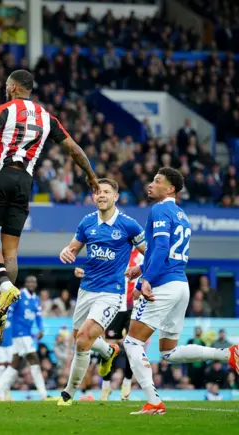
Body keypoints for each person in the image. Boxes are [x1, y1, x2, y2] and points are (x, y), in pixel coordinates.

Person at [0, 69, 98, 335]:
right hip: (25, 183)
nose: (5, 88)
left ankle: (5, 288)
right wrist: (91, 176)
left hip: (1, 175)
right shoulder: (47, 118)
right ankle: (2, 313)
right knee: (11, 252)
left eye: (8, 85)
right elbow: (74, 149)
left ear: (15, 88)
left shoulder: (4, 110)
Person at [124, 167, 239, 415]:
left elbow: (163, 246)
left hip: (163, 285)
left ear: (171, 188)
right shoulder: (182, 215)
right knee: (168, 352)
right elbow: (167, 251)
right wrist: (142, 266)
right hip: (180, 285)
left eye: (157, 181)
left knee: (132, 342)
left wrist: (146, 278)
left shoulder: (160, 209)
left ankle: (153, 401)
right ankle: (227, 354)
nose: (151, 184)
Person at [56, 179, 146, 407]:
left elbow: (152, 253)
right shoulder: (87, 222)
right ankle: (109, 351)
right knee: (79, 338)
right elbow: (72, 248)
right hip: (86, 289)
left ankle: (68, 394)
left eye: (106, 192)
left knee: (83, 341)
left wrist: (141, 271)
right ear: (93, 197)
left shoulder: (129, 225)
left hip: (111, 293)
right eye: (98, 192)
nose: (101, 195)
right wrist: (66, 252)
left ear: (116, 197)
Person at [0, 277, 48, 400]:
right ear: (25, 284)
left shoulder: (36, 299)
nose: (31, 284)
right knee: (34, 359)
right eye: (28, 282)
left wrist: (41, 329)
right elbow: (8, 311)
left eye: (33, 282)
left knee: (14, 365)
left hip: (27, 334)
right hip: (19, 333)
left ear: (36, 284)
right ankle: (44, 394)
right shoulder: (19, 296)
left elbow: (38, 317)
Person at [101, 247, 144, 401]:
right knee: (108, 348)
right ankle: (106, 386)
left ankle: (126, 383)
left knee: (132, 346)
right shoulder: (115, 251)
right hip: (116, 305)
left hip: (134, 306)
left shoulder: (141, 254)